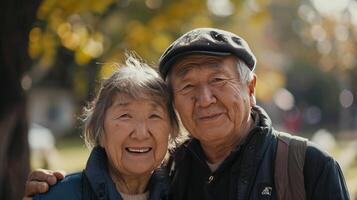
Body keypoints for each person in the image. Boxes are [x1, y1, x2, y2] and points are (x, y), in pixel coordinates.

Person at [24, 28, 350, 200]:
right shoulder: (170, 176)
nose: (204, 99)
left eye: (218, 80)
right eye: (188, 87)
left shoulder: (307, 169)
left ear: (250, 88)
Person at [29, 54, 180, 200]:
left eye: (154, 116)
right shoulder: (59, 196)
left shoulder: (185, 193)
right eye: (125, 116)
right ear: (99, 130)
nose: (141, 134)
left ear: (171, 130)